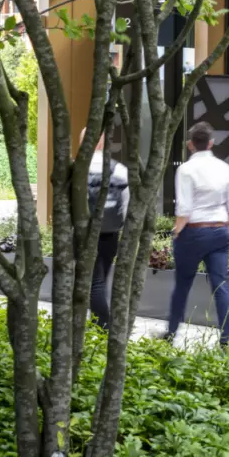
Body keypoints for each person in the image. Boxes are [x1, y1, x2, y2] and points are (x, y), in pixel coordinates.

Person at [167, 122, 229, 347]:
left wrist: (176, 232)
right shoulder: (224, 168)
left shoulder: (185, 170)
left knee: (182, 284)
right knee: (221, 285)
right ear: (211, 143)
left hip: (193, 232)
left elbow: (184, 209)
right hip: (218, 230)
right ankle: (227, 339)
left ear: (190, 144)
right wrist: (227, 231)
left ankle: (171, 333)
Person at [86, 131, 130, 330]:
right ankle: (98, 325)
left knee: (93, 284)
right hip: (110, 234)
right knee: (101, 279)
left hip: (85, 234)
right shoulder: (119, 169)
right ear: (103, 144)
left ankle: (104, 326)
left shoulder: (76, 168)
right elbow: (126, 204)